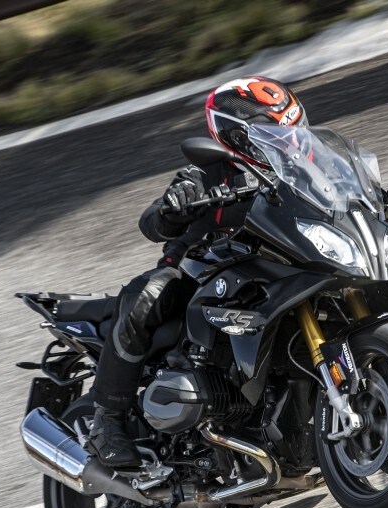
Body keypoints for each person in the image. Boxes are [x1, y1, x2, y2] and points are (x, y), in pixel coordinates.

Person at [87, 76, 309, 467]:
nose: (285, 139)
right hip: (198, 273)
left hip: (269, 272)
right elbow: (151, 223)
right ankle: (107, 421)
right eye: (273, 131)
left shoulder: (302, 173)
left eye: (289, 128)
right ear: (235, 134)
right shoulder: (206, 172)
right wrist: (173, 206)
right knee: (147, 297)